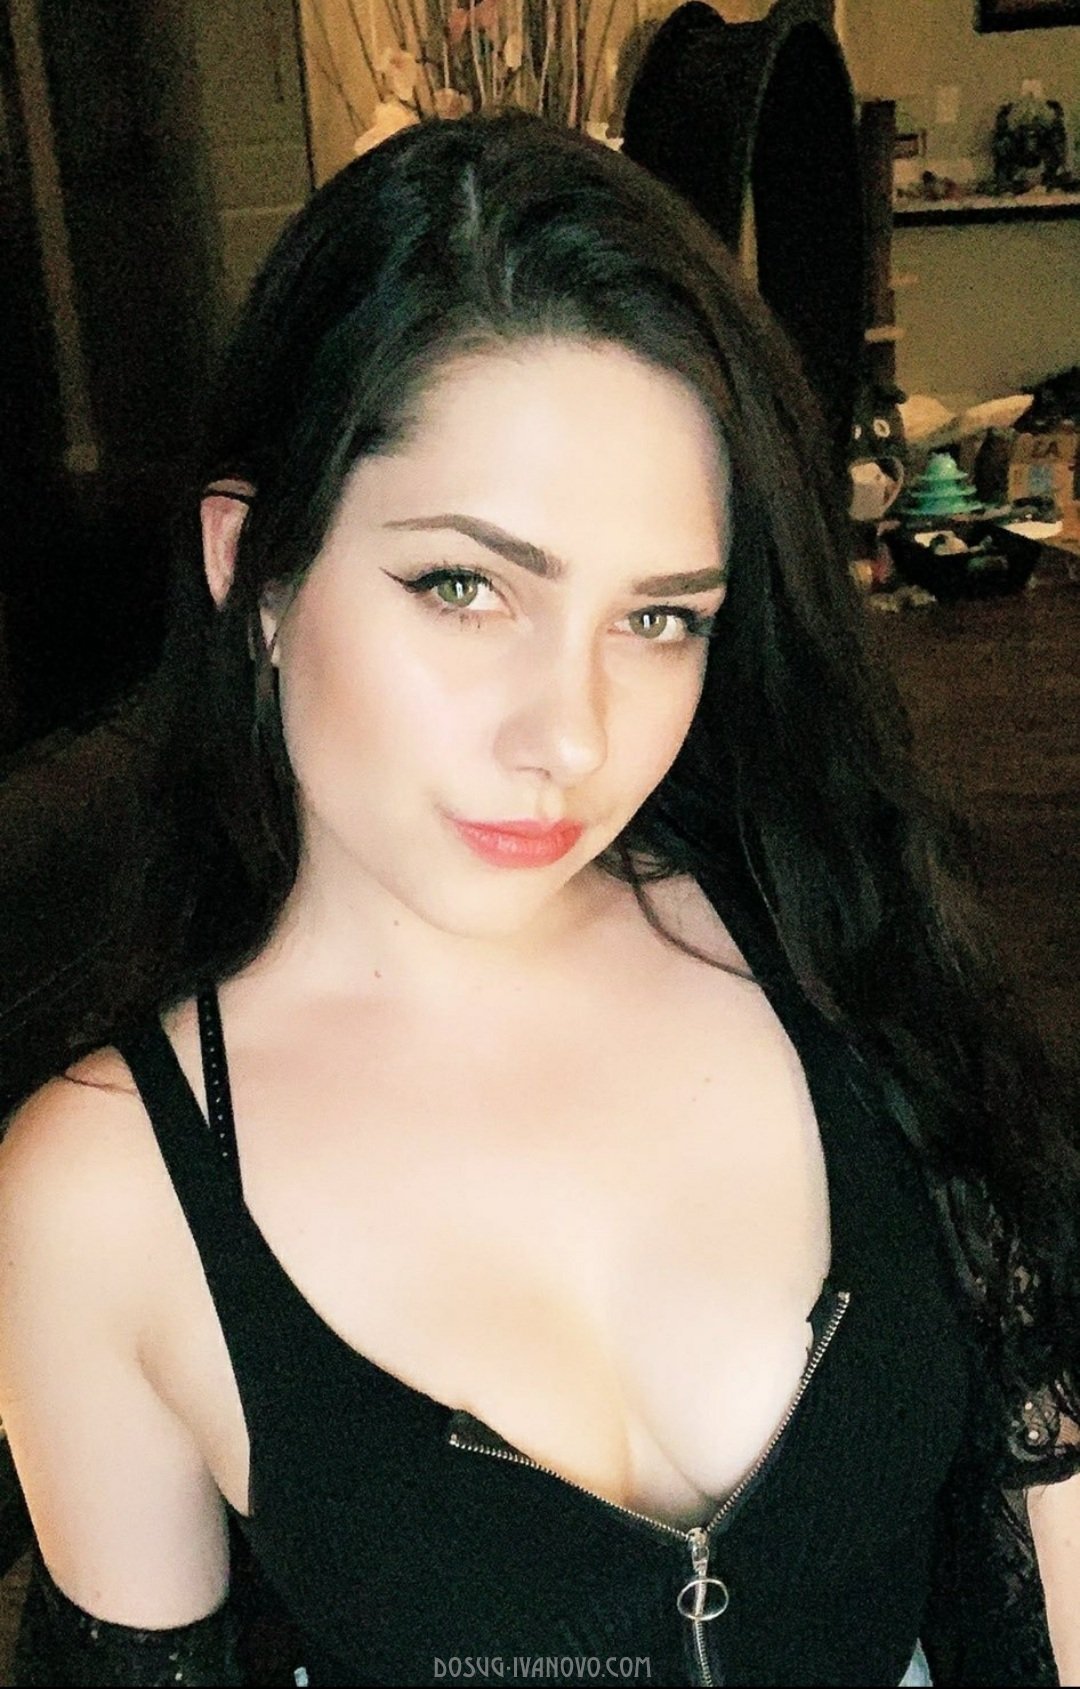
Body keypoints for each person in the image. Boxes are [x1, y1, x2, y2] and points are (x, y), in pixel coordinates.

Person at [0, 109, 1078, 1689]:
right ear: (257, 572)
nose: (570, 736)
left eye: (659, 618)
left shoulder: (830, 937)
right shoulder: (103, 1196)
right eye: (465, 587)